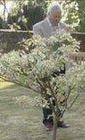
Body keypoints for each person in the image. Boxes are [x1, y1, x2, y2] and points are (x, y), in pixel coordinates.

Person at [32, 2, 70, 130]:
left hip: (60, 65)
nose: (57, 19)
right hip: (45, 65)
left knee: (60, 93)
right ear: (49, 14)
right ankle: (48, 121)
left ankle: (58, 120)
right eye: (55, 16)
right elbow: (39, 47)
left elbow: (67, 45)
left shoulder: (64, 27)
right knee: (47, 93)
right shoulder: (38, 27)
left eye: (59, 16)